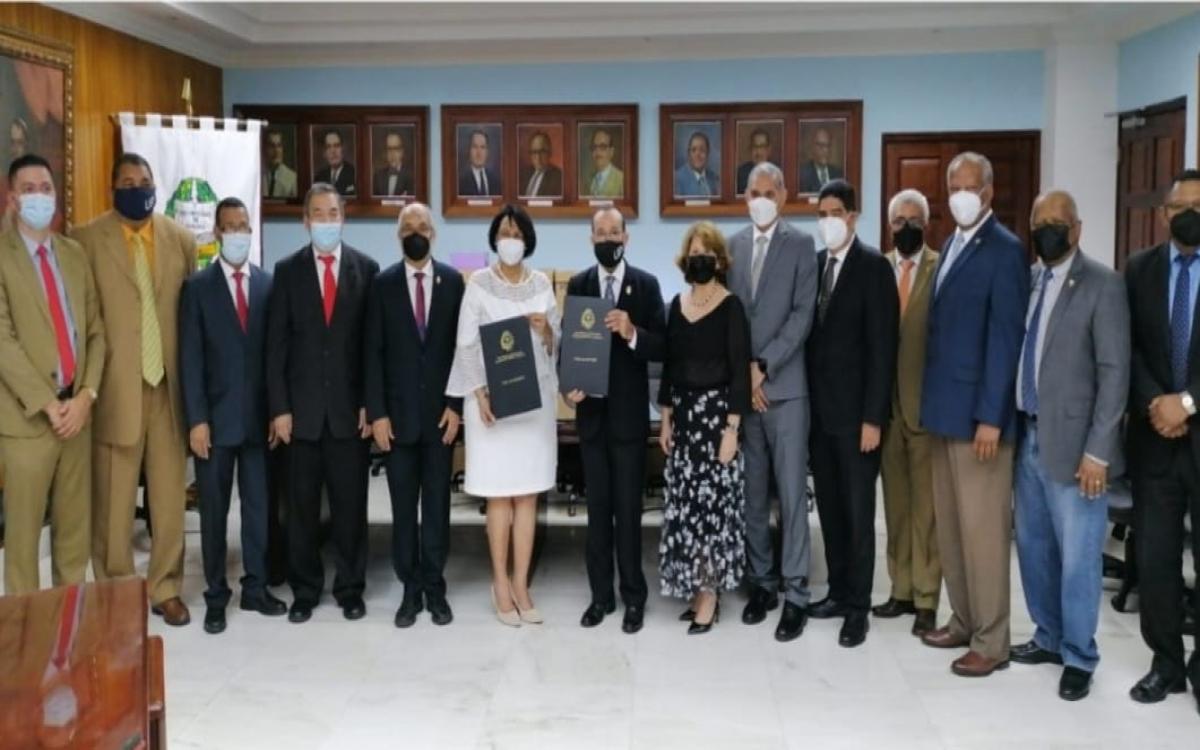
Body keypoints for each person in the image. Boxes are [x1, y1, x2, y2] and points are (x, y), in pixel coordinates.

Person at [1008, 190, 1130, 701]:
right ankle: (1049, 635)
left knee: (1079, 557)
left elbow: (1114, 371)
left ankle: (1080, 654)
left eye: (1058, 222)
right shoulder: (1032, 280)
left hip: (1080, 448)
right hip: (1029, 435)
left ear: (1076, 229)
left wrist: (1099, 451)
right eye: (1040, 223)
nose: (1048, 230)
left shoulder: (1102, 284)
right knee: (1034, 547)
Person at [72, 152, 197, 626]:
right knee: (113, 504)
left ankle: (166, 588)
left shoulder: (180, 239)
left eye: (144, 180)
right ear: (112, 187)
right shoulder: (86, 239)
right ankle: (116, 594)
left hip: (168, 389)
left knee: (168, 502)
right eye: (128, 181)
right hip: (113, 389)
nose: (138, 187)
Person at [919, 151, 1029, 677]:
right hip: (944, 412)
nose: (959, 194)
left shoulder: (1004, 251)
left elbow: (1006, 340)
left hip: (979, 421)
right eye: (952, 186)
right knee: (954, 531)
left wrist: (992, 416)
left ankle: (991, 639)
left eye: (968, 186)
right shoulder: (951, 246)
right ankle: (963, 618)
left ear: (987, 193)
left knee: (984, 533)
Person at [266, 182, 379, 624]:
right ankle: (305, 590)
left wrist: (372, 404)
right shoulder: (287, 270)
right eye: (318, 214)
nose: (326, 221)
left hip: (351, 415)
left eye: (333, 213)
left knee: (351, 510)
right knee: (301, 511)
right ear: (305, 221)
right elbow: (276, 347)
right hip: (302, 415)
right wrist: (280, 409)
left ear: (343, 218)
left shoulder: (365, 270)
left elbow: (372, 347)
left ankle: (350, 588)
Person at [446, 204, 558, 627]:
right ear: (495, 239)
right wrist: (478, 393)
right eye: (504, 231)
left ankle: (521, 583)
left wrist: (546, 329)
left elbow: (556, 341)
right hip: (491, 405)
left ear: (527, 240)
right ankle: (499, 583)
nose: (511, 238)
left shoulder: (542, 284)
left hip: (532, 407)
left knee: (527, 494)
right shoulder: (478, 283)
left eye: (517, 232)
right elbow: (466, 343)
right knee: (499, 495)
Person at [179, 196, 286, 635]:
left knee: (259, 509)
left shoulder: (266, 284)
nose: (238, 232)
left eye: (244, 224)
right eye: (230, 226)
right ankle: (216, 595)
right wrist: (196, 419)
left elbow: (275, 355)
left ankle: (256, 587)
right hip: (215, 423)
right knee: (215, 513)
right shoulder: (198, 288)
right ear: (218, 232)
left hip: (259, 422)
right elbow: (190, 358)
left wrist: (279, 411)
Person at [0, 154, 103, 594]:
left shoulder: (74, 254)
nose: (40, 196)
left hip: (77, 418)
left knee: (73, 542)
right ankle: (26, 651)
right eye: (29, 189)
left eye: (46, 187)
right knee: (23, 547)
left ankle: (69, 641)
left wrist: (85, 397)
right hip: (28, 422)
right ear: (12, 198)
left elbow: (96, 333)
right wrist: (48, 403)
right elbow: (2, 341)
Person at [727, 162, 818, 643]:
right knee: (753, 492)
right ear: (746, 197)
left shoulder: (802, 245)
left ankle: (796, 591)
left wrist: (765, 366)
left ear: (784, 196)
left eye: (769, 191)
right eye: (753, 192)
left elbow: (802, 315)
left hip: (785, 390)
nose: (761, 198)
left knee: (790, 494)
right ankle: (761, 583)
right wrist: (746, 372)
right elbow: (730, 313)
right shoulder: (734, 245)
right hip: (749, 392)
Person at [805, 179, 898, 648]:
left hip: (858, 420)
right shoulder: (816, 265)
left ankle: (858, 609)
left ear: (853, 217)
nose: (828, 221)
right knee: (831, 512)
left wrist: (873, 419)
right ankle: (838, 592)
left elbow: (884, 350)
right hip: (819, 420)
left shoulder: (874, 267)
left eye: (835, 212)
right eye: (821, 213)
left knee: (859, 515)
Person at [364, 202, 465, 628]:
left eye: (423, 226)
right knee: (403, 509)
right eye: (408, 227)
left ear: (434, 234)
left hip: (441, 419)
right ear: (398, 235)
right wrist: (378, 415)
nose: (416, 232)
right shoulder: (382, 284)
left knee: (438, 507)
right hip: (398, 422)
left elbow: (465, 350)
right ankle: (409, 589)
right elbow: (372, 354)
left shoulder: (455, 283)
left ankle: (435, 587)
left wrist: (457, 407)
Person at [566, 207, 666, 634]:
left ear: (626, 237)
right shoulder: (579, 284)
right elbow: (569, 349)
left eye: (614, 232)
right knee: (597, 514)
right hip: (590, 419)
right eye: (600, 233)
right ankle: (600, 597)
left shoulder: (645, 286)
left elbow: (662, 346)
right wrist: (568, 385)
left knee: (628, 514)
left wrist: (631, 332)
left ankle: (633, 599)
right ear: (591, 239)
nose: (608, 239)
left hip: (627, 421)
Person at [1125, 168, 1200, 713]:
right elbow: (1127, 350)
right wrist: (1157, 402)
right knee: (1155, 560)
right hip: (1154, 442)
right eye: (1180, 207)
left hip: (1195, 425)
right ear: (1163, 214)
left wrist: (1188, 402)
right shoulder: (1139, 270)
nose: (1189, 215)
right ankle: (1167, 664)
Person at [658, 221, 751, 635]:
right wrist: (665, 418)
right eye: (694, 252)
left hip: (717, 422)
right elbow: (669, 367)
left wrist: (732, 429)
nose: (700, 259)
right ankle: (698, 587)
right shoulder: (676, 305)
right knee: (688, 510)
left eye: (707, 253)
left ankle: (710, 595)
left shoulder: (731, 307)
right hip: (684, 418)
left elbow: (739, 375)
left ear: (718, 261)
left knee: (712, 511)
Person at [877, 189, 941, 637]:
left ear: (927, 223)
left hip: (926, 406)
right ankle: (899, 589)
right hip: (885, 410)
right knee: (896, 507)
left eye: (913, 219)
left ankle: (926, 597)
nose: (905, 227)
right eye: (898, 221)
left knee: (927, 511)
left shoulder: (942, 268)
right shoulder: (877, 268)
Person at [674, 131, 719, 198]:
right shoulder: (677, 179)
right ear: (688, 153)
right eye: (693, 150)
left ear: (708, 153)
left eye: (702, 150)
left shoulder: (714, 178)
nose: (697, 155)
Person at [518, 131, 563, 198]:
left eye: (542, 151)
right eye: (534, 152)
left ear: (550, 153)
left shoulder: (559, 178)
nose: (538, 157)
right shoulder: (523, 174)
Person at [457, 129, 501, 197]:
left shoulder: (495, 180)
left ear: (487, 152)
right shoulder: (460, 182)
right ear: (469, 150)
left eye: (482, 147)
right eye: (475, 147)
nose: (479, 152)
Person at [582, 128, 624, 198]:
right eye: (594, 147)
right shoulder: (592, 181)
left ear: (611, 152)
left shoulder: (622, 180)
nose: (597, 152)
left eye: (602, 147)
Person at [798, 127, 844, 193]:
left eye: (828, 146)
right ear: (813, 147)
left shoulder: (838, 174)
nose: (825, 150)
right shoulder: (802, 175)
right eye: (821, 145)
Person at [313, 129, 356, 196]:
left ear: (343, 148)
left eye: (336, 146)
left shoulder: (354, 174)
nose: (333, 151)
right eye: (328, 147)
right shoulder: (319, 178)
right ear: (324, 153)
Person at [372, 131, 414, 197]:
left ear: (402, 151)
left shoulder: (411, 176)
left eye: (396, 148)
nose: (392, 153)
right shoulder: (378, 176)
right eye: (389, 149)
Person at [736, 128, 775, 195]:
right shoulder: (741, 173)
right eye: (755, 146)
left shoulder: (777, 172)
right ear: (750, 149)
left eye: (762, 146)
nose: (758, 152)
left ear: (769, 149)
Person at [263, 129, 298, 199]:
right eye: (271, 146)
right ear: (265, 148)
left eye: (279, 145)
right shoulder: (258, 175)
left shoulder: (292, 178)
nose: (276, 151)